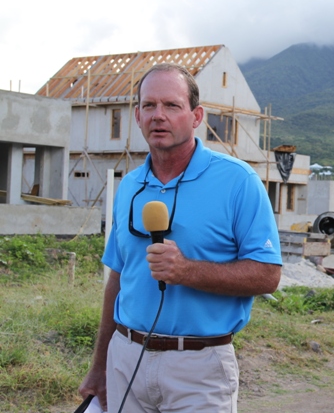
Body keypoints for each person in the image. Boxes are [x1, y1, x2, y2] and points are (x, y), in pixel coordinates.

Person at [79, 63, 282, 412]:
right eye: (149, 106)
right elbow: (118, 277)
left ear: (196, 116)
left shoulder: (238, 181)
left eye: (172, 106)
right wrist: (99, 366)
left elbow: (268, 275)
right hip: (126, 358)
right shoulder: (129, 186)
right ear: (138, 116)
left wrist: (186, 270)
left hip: (199, 366)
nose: (159, 116)